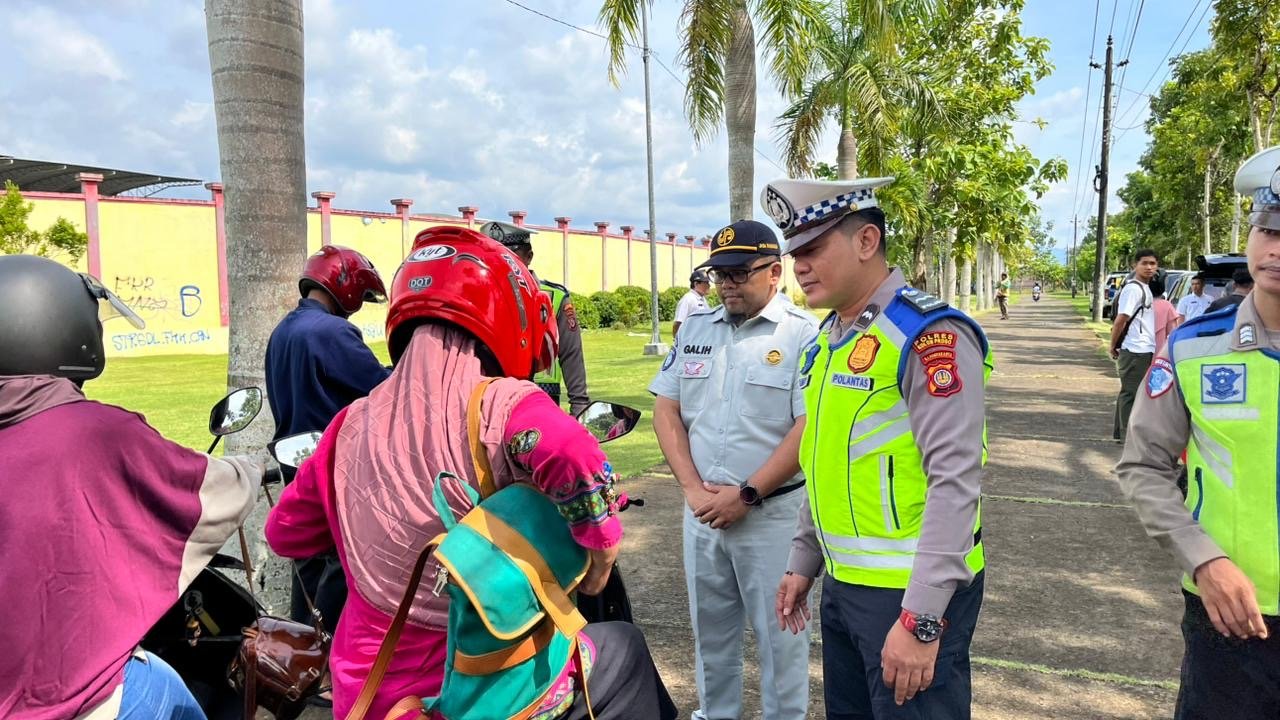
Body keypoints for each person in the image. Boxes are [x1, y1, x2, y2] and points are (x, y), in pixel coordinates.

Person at [265, 227, 675, 720]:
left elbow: (284, 534)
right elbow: (572, 452)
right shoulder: (503, 402)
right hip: (479, 688)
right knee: (623, 646)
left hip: (369, 695)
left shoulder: (346, 425)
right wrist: (602, 554)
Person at [762, 177, 992, 719]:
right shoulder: (830, 340)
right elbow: (825, 460)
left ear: (866, 241)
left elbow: (955, 481)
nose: (799, 266)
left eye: (813, 249)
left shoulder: (928, 336)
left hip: (911, 593)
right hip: (845, 586)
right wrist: (804, 559)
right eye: (795, 254)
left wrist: (922, 618)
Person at [0, 255, 262, 719]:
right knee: (171, 694)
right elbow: (200, 492)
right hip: (73, 693)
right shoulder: (96, 432)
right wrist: (251, 469)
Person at [1115, 144, 1280, 718]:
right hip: (1229, 613)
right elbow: (1143, 465)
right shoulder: (1194, 347)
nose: (1275, 248)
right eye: (1267, 229)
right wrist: (1203, 560)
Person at [649, 220, 818, 720]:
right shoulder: (698, 328)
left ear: (774, 272)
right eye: (719, 274)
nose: (726, 284)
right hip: (702, 513)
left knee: (781, 640)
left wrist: (746, 494)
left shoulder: (802, 334)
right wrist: (691, 489)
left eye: (739, 273)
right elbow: (666, 409)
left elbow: (808, 427)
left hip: (771, 517)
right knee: (710, 637)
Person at [265, 244, 391, 659]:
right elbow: (378, 387)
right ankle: (331, 652)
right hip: (332, 463)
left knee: (307, 562)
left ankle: (301, 653)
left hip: (294, 463)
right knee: (342, 557)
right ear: (346, 286)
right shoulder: (332, 332)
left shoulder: (284, 330)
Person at [481, 220, 591, 416]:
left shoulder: (555, 297)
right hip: (491, 401)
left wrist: (580, 407)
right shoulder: (479, 297)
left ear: (529, 256)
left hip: (542, 401)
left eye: (511, 256)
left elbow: (571, 355)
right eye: (494, 256)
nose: (503, 262)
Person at [1109, 249, 1160, 442]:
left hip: (1143, 348)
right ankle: (1127, 436)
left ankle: (1122, 432)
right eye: (1144, 263)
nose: (1149, 267)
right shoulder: (1133, 289)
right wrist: (1113, 344)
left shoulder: (1144, 288)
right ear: (1134, 265)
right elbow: (1121, 319)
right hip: (1135, 349)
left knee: (1131, 392)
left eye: (1152, 264)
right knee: (1131, 393)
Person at [673, 269, 712, 339]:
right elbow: (678, 323)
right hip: (690, 341)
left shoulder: (702, 299)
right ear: (696, 284)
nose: (709, 285)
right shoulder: (688, 299)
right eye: (706, 282)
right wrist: (677, 341)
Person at [1150, 274, 1179, 351]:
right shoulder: (1166, 305)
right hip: (1159, 351)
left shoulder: (1138, 303)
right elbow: (1173, 333)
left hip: (1137, 350)